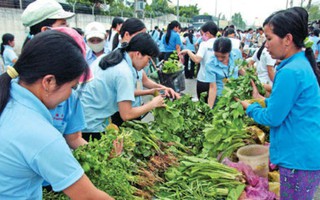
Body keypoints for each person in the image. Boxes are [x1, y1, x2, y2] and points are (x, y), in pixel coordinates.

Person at [0, 30, 113, 199]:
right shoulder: (40, 135)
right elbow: (90, 197)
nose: (70, 95)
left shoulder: (9, 95)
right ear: (49, 82)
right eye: (72, 87)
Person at [239, 7, 320, 199]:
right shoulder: (299, 64)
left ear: (288, 39)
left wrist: (251, 107)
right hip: (303, 153)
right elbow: (290, 104)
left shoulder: (290, 71)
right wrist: (263, 100)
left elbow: (273, 118)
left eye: (268, 38)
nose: (265, 45)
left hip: (297, 158)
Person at [21, 0, 89, 150]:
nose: (70, 30)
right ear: (46, 31)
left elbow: (74, 138)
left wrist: (101, 156)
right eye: (64, 24)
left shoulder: (68, 90)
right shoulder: (15, 87)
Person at [79, 32, 165, 140]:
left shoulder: (111, 58)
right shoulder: (124, 72)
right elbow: (126, 114)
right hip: (91, 124)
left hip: (82, 117)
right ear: (138, 54)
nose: (147, 64)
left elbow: (120, 92)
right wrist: (152, 104)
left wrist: (151, 91)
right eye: (148, 59)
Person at [179, 21, 218, 102]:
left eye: (201, 33)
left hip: (204, 80)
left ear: (207, 33)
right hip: (217, 81)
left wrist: (188, 51)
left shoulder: (204, 44)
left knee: (203, 106)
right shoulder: (221, 43)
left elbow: (197, 60)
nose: (201, 36)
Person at [205, 37, 242, 108]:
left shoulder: (236, 54)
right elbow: (213, 87)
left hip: (237, 95)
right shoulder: (210, 64)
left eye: (223, 57)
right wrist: (209, 108)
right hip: (220, 98)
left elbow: (241, 69)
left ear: (229, 52)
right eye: (217, 56)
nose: (219, 59)